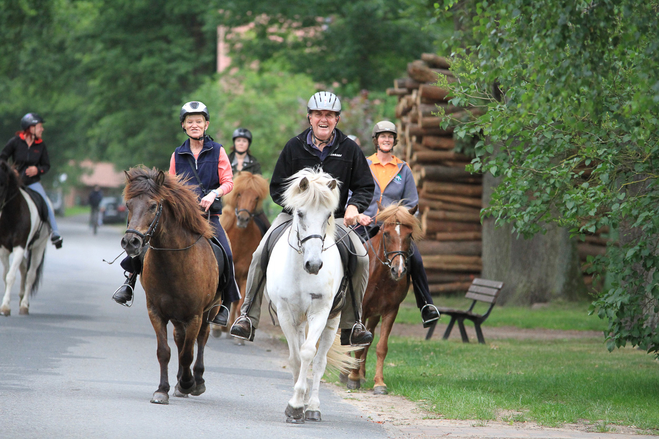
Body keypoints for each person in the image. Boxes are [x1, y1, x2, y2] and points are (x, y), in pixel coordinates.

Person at [230, 91, 376, 346]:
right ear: (309, 117)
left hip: (336, 219)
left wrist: (354, 206)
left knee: (361, 258)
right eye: (318, 114)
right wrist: (300, 206)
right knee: (259, 253)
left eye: (329, 115)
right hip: (294, 216)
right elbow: (277, 186)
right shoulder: (293, 146)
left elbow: (365, 186)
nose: (323, 119)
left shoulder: (350, 150)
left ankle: (352, 324)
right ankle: (247, 316)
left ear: (337, 119)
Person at [112, 101, 241, 327]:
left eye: (198, 121)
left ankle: (224, 305)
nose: (194, 125)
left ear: (206, 124)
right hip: (182, 217)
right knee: (145, 243)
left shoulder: (219, 151)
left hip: (209, 217)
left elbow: (228, 182)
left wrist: (213, 194)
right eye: (190, 122)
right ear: (183, 125)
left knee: (227, 254)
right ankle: (129, 283)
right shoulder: (177, 154)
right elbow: (170, 185)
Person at [358, 121, 440, 327]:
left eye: (390, 136)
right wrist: (359, 215)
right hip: (367, 224)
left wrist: (399, 217)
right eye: (382, 136)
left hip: (394, 227)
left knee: (417, 260)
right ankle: (338, 300)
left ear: (395, 140)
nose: (386, 139)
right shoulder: (364, 165)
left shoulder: (403, 169)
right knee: (345, 254)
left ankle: (426, 307)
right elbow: (354, 194)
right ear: (375, 140)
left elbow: (413, 203)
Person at [1, 113, 63, 248]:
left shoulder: (41, 145)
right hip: (15, 184)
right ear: (30, 128)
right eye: (39, 126)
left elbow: (46, 166)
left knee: (46, 204)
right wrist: (10, 171)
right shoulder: (15, 142)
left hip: (32, 183)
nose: (42, 129)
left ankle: (55, 233)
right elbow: (2, 158)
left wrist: (37, 170)